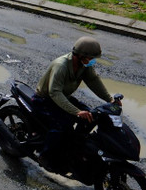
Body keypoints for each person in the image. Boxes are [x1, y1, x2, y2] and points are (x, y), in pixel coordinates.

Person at [33, 36, 119, 170]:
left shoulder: (83, 65)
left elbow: (93, 81)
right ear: (80, 56)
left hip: (63, 98)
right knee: (61, 126)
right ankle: (45, 156)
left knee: (92, 116)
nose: (93, 61)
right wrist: (77, 112)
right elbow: (54, 93)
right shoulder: (61, 66)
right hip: (44, 100)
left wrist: (110, 100)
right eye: (91, 58)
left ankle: (73, 146)